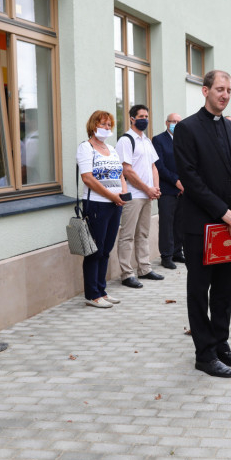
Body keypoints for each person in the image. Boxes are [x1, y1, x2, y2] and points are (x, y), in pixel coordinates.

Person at [173, 69, 231, 378]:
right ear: (205, 91)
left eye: (229, 90)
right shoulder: (187, 128)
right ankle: (204, 354)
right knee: (199, 291)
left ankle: (221, 345)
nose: (225, 95)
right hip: (201, 226)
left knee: (224, 290)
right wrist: (223, 212)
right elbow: (190, 179)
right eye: (220, 89)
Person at [76, 110, 127, 308]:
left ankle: (102, 290)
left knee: (106, 249)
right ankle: (92, 294)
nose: (106, 128)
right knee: (94, 250)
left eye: (109, 125)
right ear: (93, 125)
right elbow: (87, 178)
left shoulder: (111, 149)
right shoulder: (86, 148)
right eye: (102, 124)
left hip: (115, 204)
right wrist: (111, 196)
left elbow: (121, 174)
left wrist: (122, 193)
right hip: (97, 204)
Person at [116, 105, 163, 289]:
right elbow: (127, 170)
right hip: (133, 195)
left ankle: (144, 268)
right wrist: (147, 189)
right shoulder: (126, 141)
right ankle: (127, 274)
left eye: (146, 116)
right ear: (132, 118)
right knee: (127, 235)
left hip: (148, 195)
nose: (144, 119)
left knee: (143, 233)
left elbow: (153, 167)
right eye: (141, 116)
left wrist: (155, 188)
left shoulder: (146, 141)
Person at [153, 113, 185, 270]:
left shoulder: (184, 140)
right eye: (173, 121)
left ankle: (177, 252)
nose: (175, 124)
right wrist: (176, 181)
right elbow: (159, 165)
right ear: (166, 123)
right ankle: (166, 256)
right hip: (167, 188)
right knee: (166, 224)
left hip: (183, 189)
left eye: (178, 121)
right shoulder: (158, 140)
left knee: (180, 222)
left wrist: (184, 183)